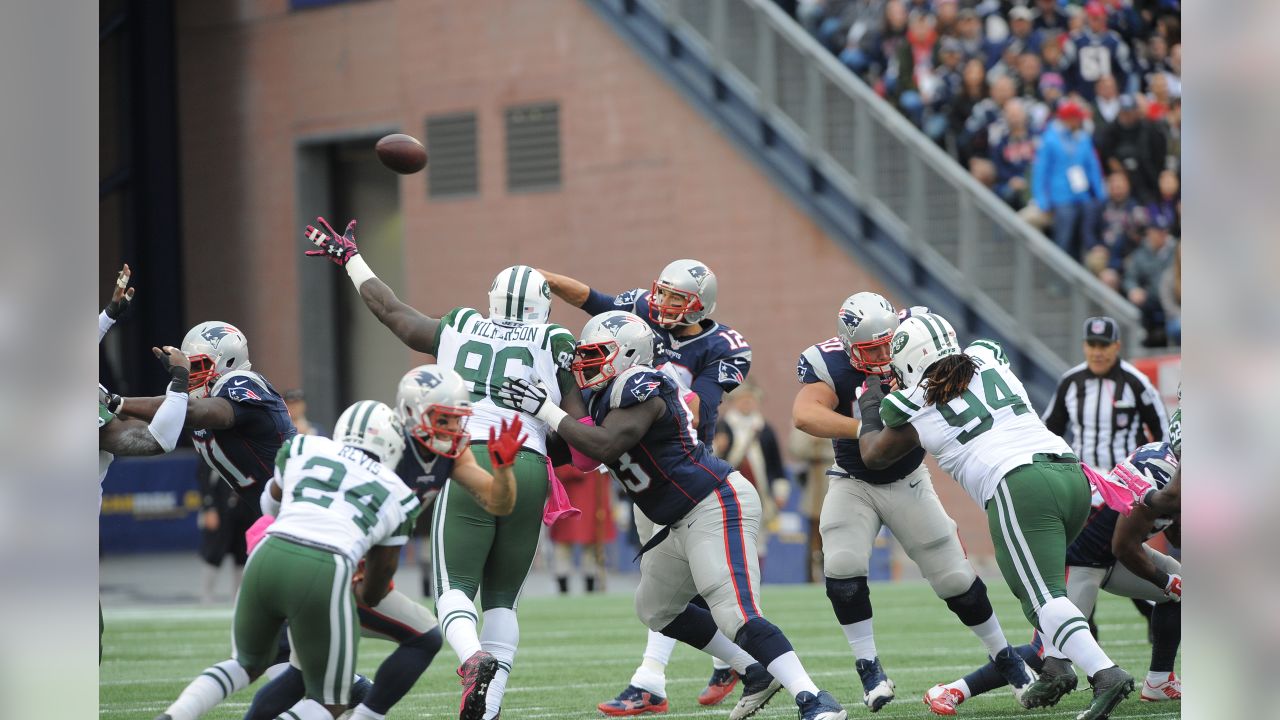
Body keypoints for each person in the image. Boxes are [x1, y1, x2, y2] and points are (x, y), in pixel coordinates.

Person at [495, 311, 847, 720]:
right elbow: (578, 452)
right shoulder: (601, 395)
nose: (585, 363)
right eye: (583, 355)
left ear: (628, 354)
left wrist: (546, 409)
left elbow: (606, 445)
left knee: (736, 612)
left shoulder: (644, 384)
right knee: (655, 609)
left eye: (596, 354)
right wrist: (517, 442)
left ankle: (813, 697)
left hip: (713, 503)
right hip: (671, 521)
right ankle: (751, 668)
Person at [304, 217, 585, 720]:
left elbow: (391, 312)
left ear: (493, 298)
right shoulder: (558, 340)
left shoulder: (461, 325)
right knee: (502, 600)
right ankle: (489, 709)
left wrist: (351, 259)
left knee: (453, 586)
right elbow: (577, 424)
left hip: (469, 454)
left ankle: (470, 658)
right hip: (529, 462)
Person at [858, 312, 1136, 720]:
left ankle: (1105, 673)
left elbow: (876, 450)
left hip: (1018, 484)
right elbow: (982, 354)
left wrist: (871, 393)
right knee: (1046, 589)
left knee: (1043, 600)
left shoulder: (909, 399)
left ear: (912, 362)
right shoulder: (986, 354)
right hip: (1071, 475)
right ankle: (1056, 664)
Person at [792, 294, 1033, 712]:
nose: (886, 356)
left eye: (890, 345)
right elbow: (804, 414)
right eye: (873, 350)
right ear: (849, 345)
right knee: (841, 563)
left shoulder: (919, 335)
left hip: (908, 478)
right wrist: (866, 432)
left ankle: (1006, 657)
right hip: (853, 480)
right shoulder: (828, 362)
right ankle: (868, 666)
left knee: (955, 578)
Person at [242, 366, 524, 720]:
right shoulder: (384, 445)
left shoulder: (450, 453)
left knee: (315, 676)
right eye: (444, 419)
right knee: (313, 682)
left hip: (357, 564)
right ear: (411, 413)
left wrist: (503, 469)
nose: (453, 430)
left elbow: (498, 503)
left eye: (456, 420)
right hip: (329, 562)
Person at [540, 260, 757, 712]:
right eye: (662, 292)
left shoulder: (722, 346)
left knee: (699, 584)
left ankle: (671, 675)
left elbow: (695, 408)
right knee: (667, 585)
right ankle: (713, 666)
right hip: (640, 462)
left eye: (677, 298)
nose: (662, 303)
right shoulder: (639, 308)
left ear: (701, 304)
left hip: (685, 464)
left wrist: (646, 388)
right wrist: (541, 278)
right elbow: (591, 299)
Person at [154, 401, 417, 720]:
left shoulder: (306, 446)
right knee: (330, 698)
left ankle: (177, 714)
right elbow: (377, 585)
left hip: (267, 553)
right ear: (391, 442)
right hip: (322, 566)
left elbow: (269, 504)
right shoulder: (397, 491)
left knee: (244, 664)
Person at [923, 441, 1182, 714]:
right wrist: (1165, 582)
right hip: (1083, 558)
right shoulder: (1160, 469)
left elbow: (1171, 528)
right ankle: (953, 690)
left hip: (1111, 555)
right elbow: (1124, 545)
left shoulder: (1175, 465)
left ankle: (1159, 680)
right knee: (1046, 654)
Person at [119, 320, 298, 511]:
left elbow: (199, 411)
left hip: (301, 497)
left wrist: (117, 402)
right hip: (272, 507)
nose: (190, 375)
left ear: (228, 361)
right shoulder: (200, 402)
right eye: (188, 368)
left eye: (197, 366)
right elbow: (151, 426)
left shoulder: (242, 382)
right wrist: (107, 410)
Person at [1041, 316, 1168, 475]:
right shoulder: (1070, 381)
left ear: (1117, 346)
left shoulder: (1136, 382)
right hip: (1084, 478)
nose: (1097, 353)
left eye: (1104, 345)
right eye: (1091, 345)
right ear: (1084, 346)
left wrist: (1153, 469)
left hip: (1128, 479)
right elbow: (1049, 430)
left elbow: (1162, 430)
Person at [715, 384, 789, 567]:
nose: (747, 403)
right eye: (743, 399)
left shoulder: (765, 429)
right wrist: (718, 448)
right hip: (728, 493)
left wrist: (780, 492)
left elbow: (775, 464)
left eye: (751, 399)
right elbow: (711, 460)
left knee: (759, 541)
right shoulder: (722, 427)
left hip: (760, 493)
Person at [1031, 100, 1106, 261]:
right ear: (1068, 119)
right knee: (1063, 240)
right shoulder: (1050, 139)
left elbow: (1093, 167)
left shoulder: (1083, 138)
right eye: (1076, 118)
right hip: (1060, 198)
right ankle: (1058, 281)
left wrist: (1100, 194)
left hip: (1082, 196)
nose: (1079, 121)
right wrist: (1042, 200)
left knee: (1082, 242)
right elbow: (1041, 172)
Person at [549, 463, 616, 594]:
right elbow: (560, 470)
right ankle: (564, 592)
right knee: (563, 549)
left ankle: (588, 590)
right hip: (568, 499)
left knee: (590, 550)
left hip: (592, 500)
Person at [1095, 94, 1167, 204]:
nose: (1126, 115)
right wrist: (1111, 161)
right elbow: (1105, 155)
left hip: (1145, 177)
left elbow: (1158, 156)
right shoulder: (1109, 131)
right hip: (1121, 176)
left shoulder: (1149, 129)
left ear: (1136, 111)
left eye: (1130, 111)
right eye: (1124, 112)